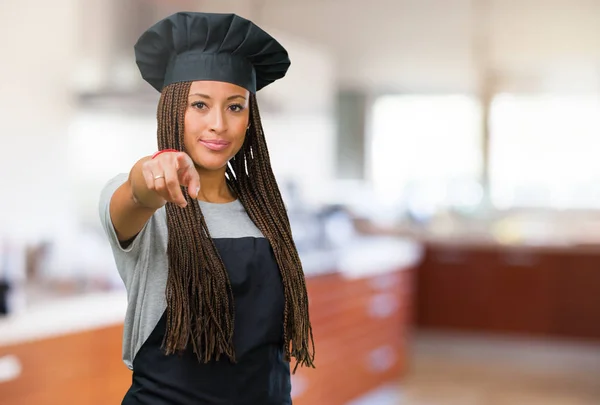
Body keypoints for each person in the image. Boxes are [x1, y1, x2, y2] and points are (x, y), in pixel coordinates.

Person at [98, 12, 315, 405]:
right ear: (171, 110)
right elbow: (137, 193)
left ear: (250, 119)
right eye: (200, 105)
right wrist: (154, 170)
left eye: (235, 107)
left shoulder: (264, 211)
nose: (218, 124)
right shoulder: (148, 204)